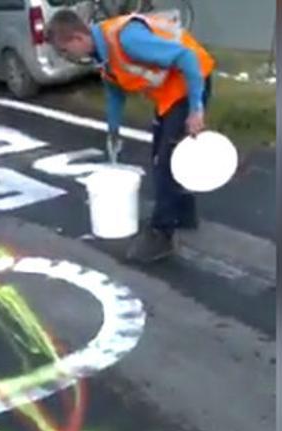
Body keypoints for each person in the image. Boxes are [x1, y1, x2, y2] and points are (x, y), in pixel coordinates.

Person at [46, 9, 215, 262]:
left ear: (78, 38)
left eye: (65, 51)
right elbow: (114, 92)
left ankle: (163, 233)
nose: (66, 58)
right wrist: (113, 132)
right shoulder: (101, 53)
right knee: (163, 152)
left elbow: (187, 57)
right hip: (168, 93)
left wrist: (196, 109)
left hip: (190, 82)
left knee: (165, 163)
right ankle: (183, 215)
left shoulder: (127, 39)